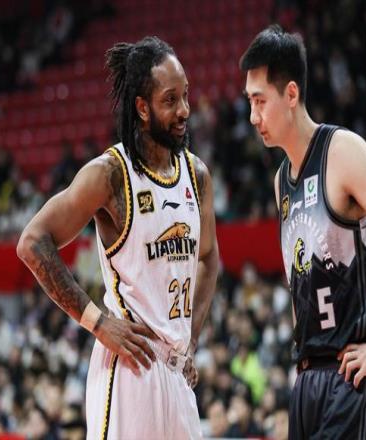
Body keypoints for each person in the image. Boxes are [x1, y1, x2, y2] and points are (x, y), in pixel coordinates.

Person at [17, 36, 219, 439]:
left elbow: (209, 258)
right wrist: (97, 322)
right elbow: (32, 242)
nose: (184, 110)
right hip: (130, 370)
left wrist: (192, 337)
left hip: (178, 372)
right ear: (142, 108)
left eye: (185, 95)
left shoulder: (196, 175)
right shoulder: (110, 174)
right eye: (170, 100)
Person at [240, 25, 366, 439]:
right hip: (307, 379)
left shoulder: (342, 151)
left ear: (291, 94)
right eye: (249, 102)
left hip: (351, 376)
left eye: (260, 101)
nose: (253, 117)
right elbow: (300, 280)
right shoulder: (281, 180)